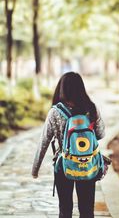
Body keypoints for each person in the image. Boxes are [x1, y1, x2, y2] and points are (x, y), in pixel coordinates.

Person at [32, 72, 105, 218]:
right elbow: (100, 134)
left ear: (62, 89)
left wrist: (35, 169)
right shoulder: (91, 108)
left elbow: (44, 141)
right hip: (88, 164)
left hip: (63, 165)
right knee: (86, 210)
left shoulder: (55, 112)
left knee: (65, 210)